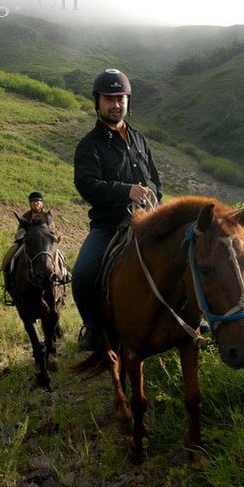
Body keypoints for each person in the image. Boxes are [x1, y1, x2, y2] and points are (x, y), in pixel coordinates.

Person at [72, 69, 162, 351]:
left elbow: (154, 180)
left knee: (187, 255)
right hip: (109, 225)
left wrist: (155, 202)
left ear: (128, 101)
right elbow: (87, 185)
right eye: (109, 98)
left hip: (148, 220)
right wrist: (126, 190)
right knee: (83, 274)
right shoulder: (89, 145)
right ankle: (95, 328)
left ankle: (190, 321)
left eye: (120, 98)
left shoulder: (139, 139)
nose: (116, 104)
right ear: (97, 102)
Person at [2, 192, 70, 304]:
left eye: (38, 202)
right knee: (10, 257)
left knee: (62, 259)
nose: (36, 204)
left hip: (47, 247)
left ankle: (62, 289)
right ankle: (10, 287)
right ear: (30, 204)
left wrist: (57, 238)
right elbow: (19, 232)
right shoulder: (25, 217)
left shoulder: (48, 216)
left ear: (42, 203)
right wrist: (22, 237)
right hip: (30, 245)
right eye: (33, 202)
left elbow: (52, 231)